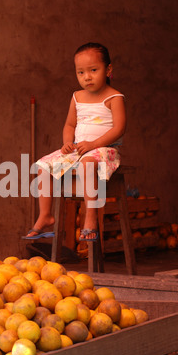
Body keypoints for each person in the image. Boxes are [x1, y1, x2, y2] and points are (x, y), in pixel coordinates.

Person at [23, 42, 126, 241]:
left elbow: (119, 129)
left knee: (88, 164)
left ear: (108, 70)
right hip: (79, 149)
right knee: (43, 165)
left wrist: (94, 145)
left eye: (93, 70)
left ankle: (90, 216)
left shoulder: (115, 97)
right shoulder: (77, 97)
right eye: (80, 72)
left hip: (104, 150)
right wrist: (67, 143)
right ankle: (45, 215)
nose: (87, 77)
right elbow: (70, 125)